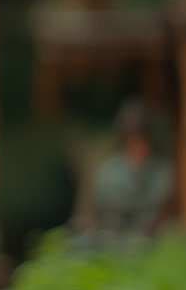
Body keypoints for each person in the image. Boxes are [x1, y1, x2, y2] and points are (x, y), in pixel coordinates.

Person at [72, 98, 174, 247]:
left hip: (147, 239)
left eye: (141, 140)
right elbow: (101, 211)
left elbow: (158, 211)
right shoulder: (110, 171)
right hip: (111, 237)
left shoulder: (162, 171)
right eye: (132, 141)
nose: (138, 149)